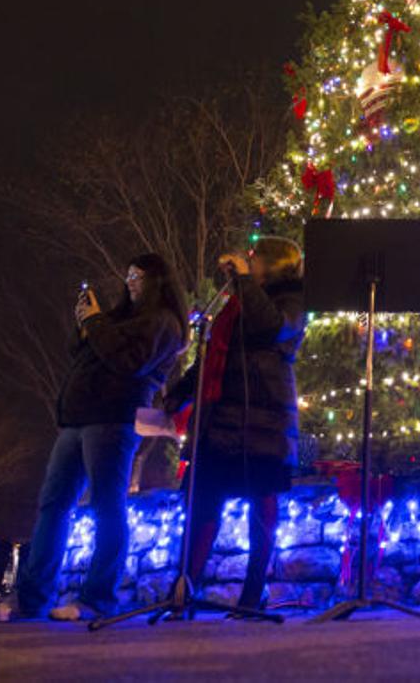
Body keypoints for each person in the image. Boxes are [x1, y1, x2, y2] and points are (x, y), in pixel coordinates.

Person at [0, 254, 187, 623]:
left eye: (138, 276)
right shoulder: (118, 320)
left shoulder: (163, 323)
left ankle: (98, 598)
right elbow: (83, 353)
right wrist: (86, 325)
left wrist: (96, 323)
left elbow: (130, 363)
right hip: (77, 419)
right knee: (53, 505)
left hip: (114, 419)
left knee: (107, 506)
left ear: (158, 281)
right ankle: (31, 598)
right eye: (128, 275)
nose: (130, 282)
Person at [164, 238, 306, 612]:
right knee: (203, 501)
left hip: (263, 420)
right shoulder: (239, 300)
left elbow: (272, 327)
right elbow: (214, 357)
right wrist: (179, 394)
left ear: (274, 265)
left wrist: (243, 283)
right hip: (220, 421)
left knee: (261, 501)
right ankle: (184, 588)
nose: (248, 262)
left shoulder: (292, 300)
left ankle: (253, 592)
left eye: (255, 259)